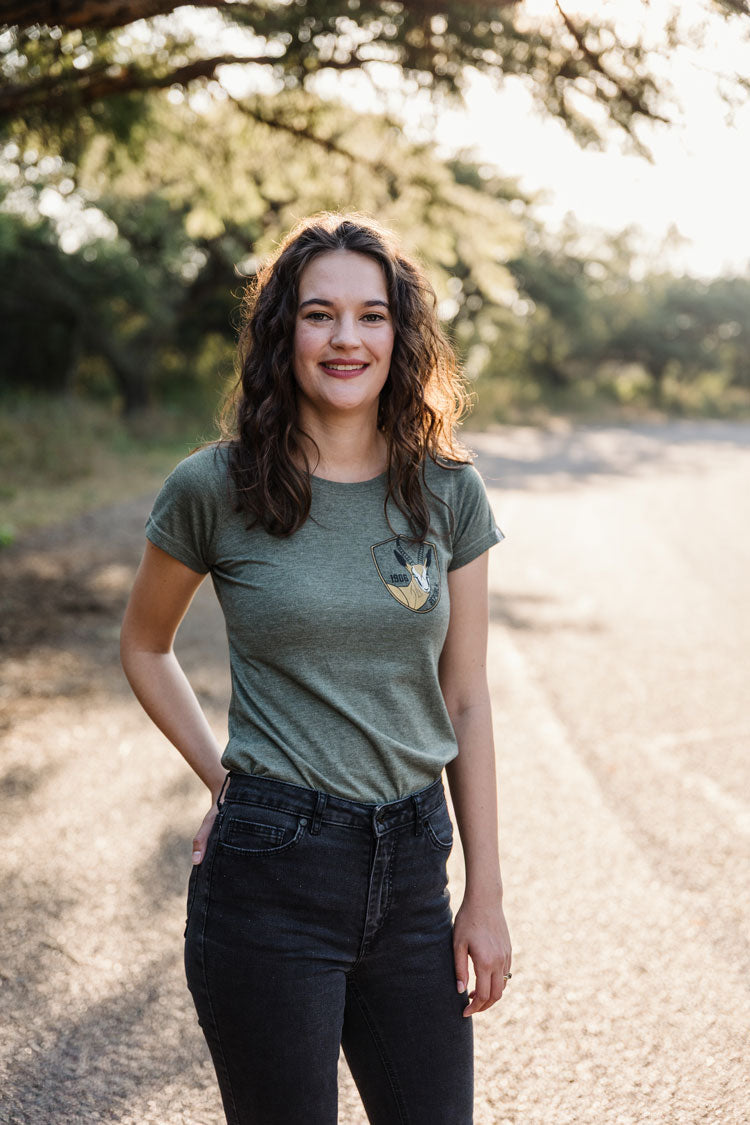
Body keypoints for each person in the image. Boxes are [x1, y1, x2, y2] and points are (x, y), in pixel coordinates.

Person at [120, 211, 512, 1125]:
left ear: (399, 334)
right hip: (271, 878)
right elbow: (144, 644)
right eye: (319, 314)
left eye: (372, 315)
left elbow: (466, 696)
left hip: (415, 869)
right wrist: (228, 781)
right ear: (280, 333)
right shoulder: (212, 487)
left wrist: (484, 892)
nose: (347, 338)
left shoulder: (448, 489)